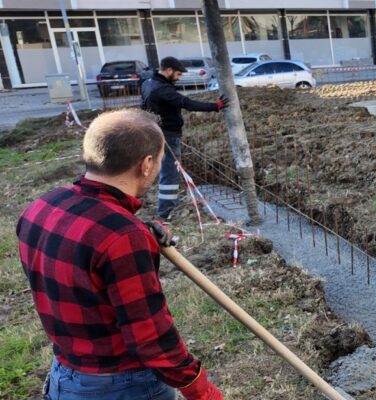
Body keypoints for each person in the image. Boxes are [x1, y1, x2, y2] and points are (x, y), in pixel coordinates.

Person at [16, 109, 223, 400]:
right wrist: (201, 390)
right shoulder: (123, 238)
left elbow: (82, 270)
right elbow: (151, 336)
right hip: (122, 386)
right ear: (147, 164)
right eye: (161, 158)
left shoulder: (42, 208)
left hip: (65, 374)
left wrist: (139, 230)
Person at [142, 56, 228, 223]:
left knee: (166, 171)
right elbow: (186, 103)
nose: (179, 78)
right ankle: (165, 213)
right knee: (170, 172)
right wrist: (214, 106)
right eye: (178, 74)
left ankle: (168, 207)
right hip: (168, 135)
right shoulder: (163, 90)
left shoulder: (148, 83)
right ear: (168, 71)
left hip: (156, 132)